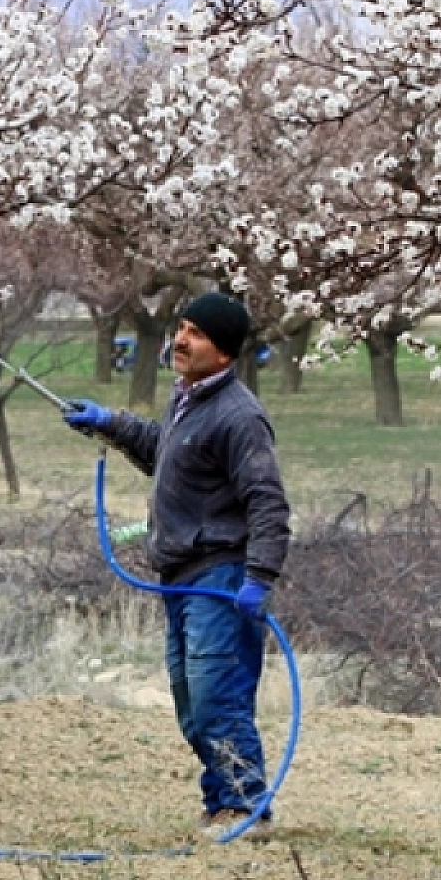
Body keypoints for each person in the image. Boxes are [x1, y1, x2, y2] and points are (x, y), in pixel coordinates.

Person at [63, 291, 292, 840]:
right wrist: (109, 423)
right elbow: (166, 449)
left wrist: (259, 577)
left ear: (225, 352)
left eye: (197, 334)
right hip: (182, 577)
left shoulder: (239, 416)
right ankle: (220, 803)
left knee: (217, 696)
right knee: (192, 705)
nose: (181, 340)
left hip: (222, 577)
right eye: (182, 328)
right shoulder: (189, 398)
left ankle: (245, 808)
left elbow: (267, 501)